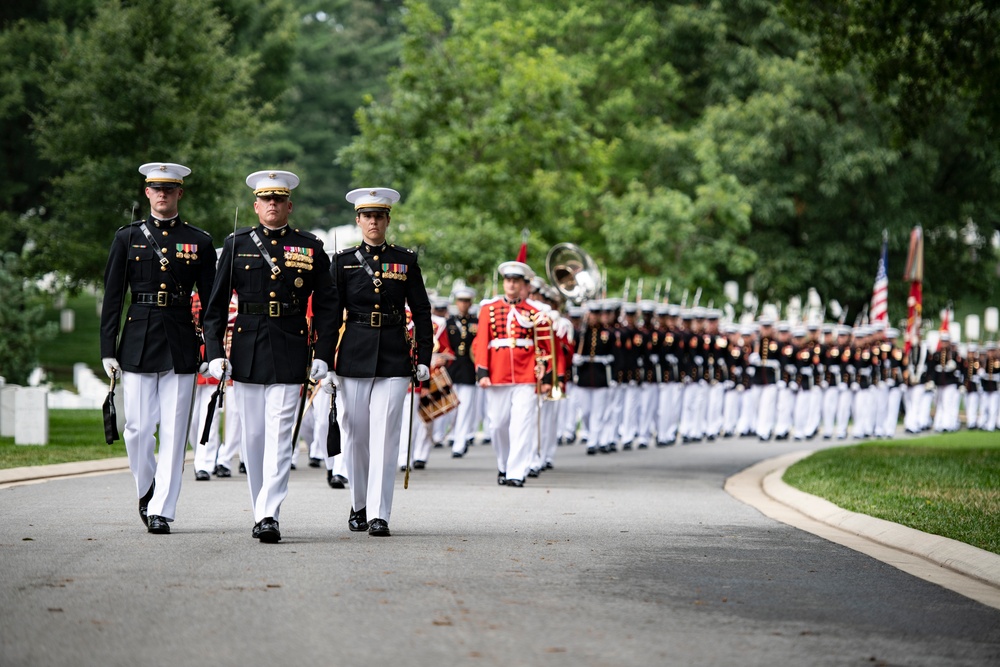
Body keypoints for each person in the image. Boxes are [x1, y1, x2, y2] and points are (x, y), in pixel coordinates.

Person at [203, 170, 336, 543]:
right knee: (253, 437)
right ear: (256, 205)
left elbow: (327, 306)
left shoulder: (309, 246)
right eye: (266, 199)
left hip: (290, 345)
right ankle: (261, 504)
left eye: (279, 199)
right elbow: (214, 308)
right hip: (246, 346)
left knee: (280, 436)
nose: (273, 205)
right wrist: (214, 352)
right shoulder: (236, 244)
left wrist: (323, 353)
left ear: (289, 205)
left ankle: (268, 514)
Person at [100, 162, 217, 534]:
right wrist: (108, 349)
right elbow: (113, 297)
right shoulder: (127, 237)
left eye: (170, 189)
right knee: (135, 428)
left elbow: (212, 304)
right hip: (137, 339)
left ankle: (162, 509)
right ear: (147, 193)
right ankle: (147, 487)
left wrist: (212, 351)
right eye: (156, 189)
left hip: (181, 340)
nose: (163, 194)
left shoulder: (199, 241)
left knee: (174, 431)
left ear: (180, 193)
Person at [328, 187, 432, 537]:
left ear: (387, 220)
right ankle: (359, 503)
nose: (373, 221)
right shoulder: (342, 262)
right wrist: (324, 360)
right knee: (356, 434)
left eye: (379, 216)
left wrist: (424, 356)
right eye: (367, 216)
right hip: (354, 352)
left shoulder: (406, 260)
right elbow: (330, 314)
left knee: (386, 436)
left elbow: (421, 311)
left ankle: (379, 513)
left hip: (393, 355)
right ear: (358, 220)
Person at [473, 261, 559, 486]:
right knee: (498, 424)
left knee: (522, 423)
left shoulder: (536, 312)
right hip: (497, 372)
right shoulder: (488, 309)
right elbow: (482, 341)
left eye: (516, 281)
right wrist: (482, 371)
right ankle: (503, 464)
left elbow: (545, 347)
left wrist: (547, 376)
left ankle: (516, 472)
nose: (511, 284)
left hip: (527, 374)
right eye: (508, 280)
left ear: (523, 285)